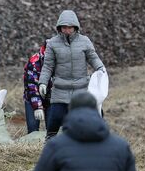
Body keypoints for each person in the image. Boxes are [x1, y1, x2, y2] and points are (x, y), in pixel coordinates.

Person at [38, 10, 106, 139]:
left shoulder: (85, 41)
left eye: (70, 27)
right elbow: (48, 66)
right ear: (59, 28)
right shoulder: (52, 43)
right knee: (54, 119)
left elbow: (93, 57)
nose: (67, 30)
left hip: (82, 89)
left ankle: (97, 141)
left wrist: (100, 68)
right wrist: (43, 82)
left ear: (75, 27)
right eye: (64, 27)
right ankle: (50, 144)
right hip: (60, 90)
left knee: (93, 116)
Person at [23, 41, 52, 133]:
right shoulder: (34, 62)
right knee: (32, 129)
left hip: (52, 99)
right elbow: (31, 86)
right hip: (32, 97)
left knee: (53, 129)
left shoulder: (61, 61)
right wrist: (37, 107)